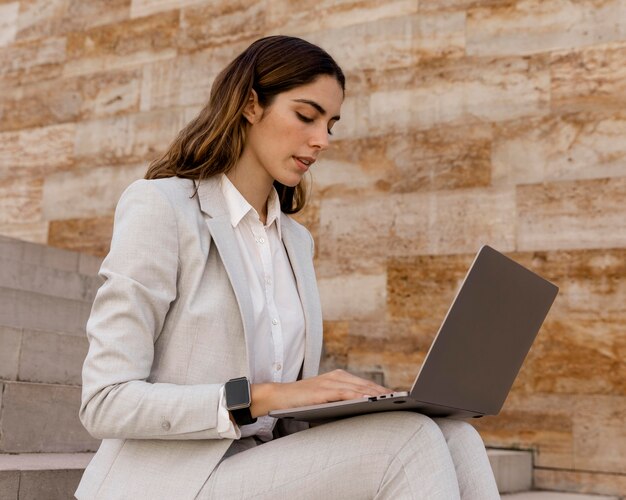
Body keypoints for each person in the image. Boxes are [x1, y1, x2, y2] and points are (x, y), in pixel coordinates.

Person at [75, 35, 500, 499]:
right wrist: (268, 396)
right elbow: (105, 402)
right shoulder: (163, 207)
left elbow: (291, 416)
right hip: (173, 481)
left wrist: (365, 405)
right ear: (251, 105)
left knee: (455, 436)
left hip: (265, 463)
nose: (320, 140)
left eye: (330, 124)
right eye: (305, 116)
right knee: (408, 442)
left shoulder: (295, 241)